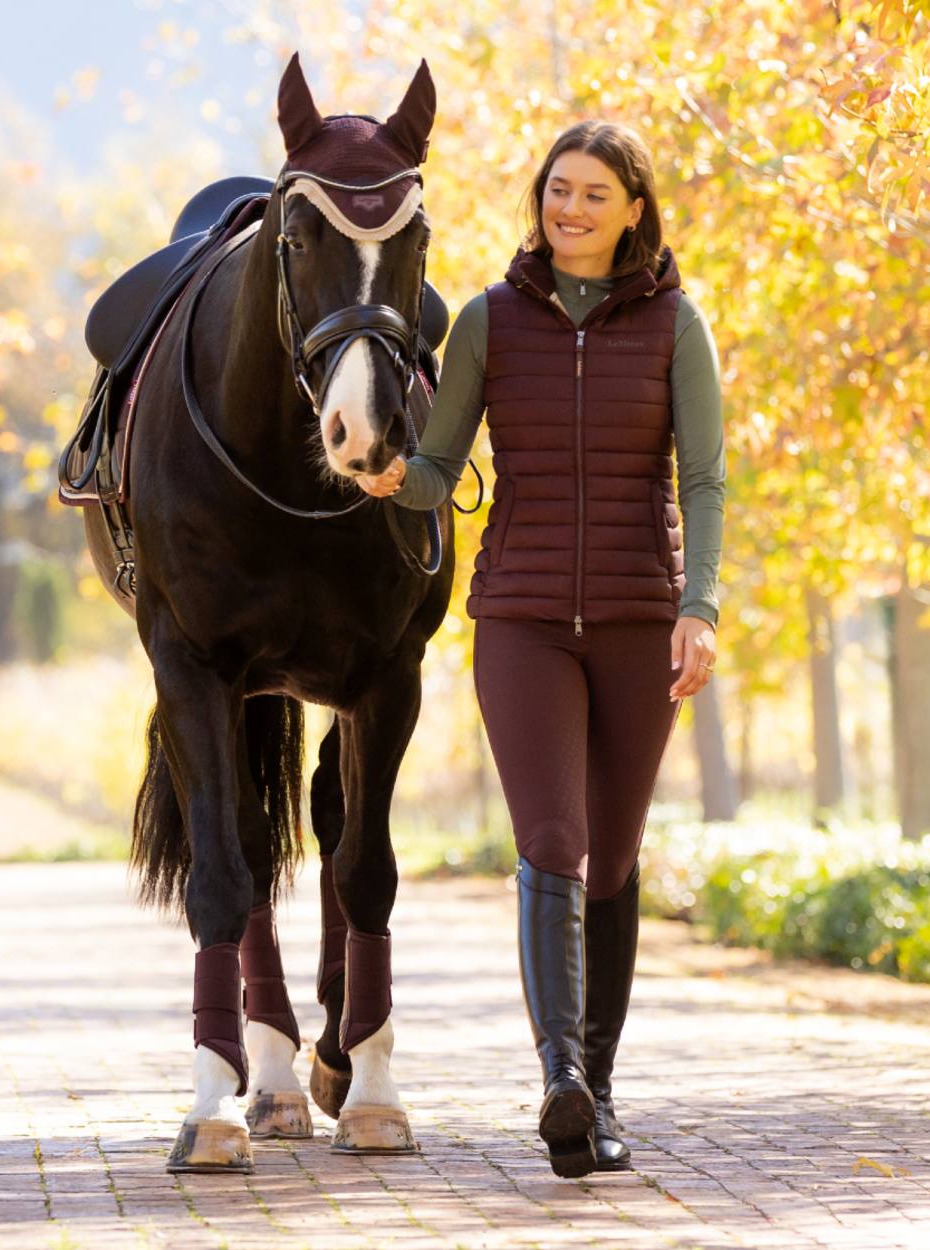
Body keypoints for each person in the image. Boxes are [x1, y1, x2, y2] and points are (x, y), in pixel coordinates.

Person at [358, 121, 724, 1178]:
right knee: (552, 839)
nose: (568, 208)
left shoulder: (673, 327)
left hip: (636, 620)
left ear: (633, 211)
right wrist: (391, 479)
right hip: (519, 618)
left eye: (593, 194)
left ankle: (601, 1092)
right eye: (557, 189)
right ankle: (561, 1077)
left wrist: (697, 604)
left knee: (610, 857)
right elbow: (439, 466)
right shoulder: (487, 321)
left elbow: (701, 479)